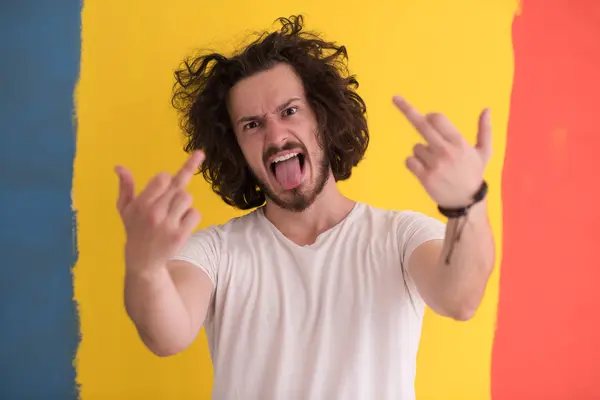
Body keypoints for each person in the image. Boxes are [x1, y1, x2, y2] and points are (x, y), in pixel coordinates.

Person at [115, 15, 495, 400]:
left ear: (322, 117)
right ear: (236, 148)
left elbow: (460, 299)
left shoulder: (399, 237)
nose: (276, 136)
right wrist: (144, 268)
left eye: (290, 111)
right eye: (252, 125)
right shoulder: (216, 252)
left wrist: (468, 203)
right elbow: (166, 335)